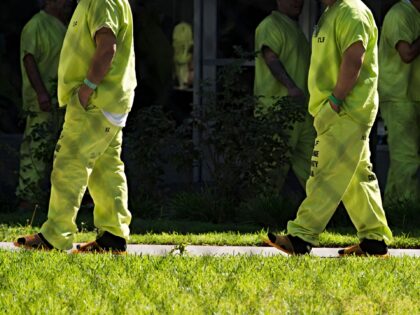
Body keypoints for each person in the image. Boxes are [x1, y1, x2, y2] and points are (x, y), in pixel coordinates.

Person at [267, 0, 393, 256]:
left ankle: (301, 236)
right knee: (356, 178)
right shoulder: (332, 12)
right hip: (339, 109)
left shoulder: (351, 12)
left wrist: (334, 102)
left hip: (344, 109)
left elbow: (353, 60)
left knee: (323, 173)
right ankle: (374, 240)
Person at [15, 0, 137, 253]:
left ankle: (55, 236)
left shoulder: (101, 1)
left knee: (68, 163)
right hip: (108, 101)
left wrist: (85, 90)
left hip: (94, 101)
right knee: (106, 168)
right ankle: (113, 238)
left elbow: (107, 49)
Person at [254, 0, 315, 194]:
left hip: (300, 112)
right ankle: (260, 214)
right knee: (270, 171)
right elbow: (270, 58)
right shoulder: (270, 25)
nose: (298, 2)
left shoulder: (295, 29)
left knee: (314, 169)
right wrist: (291, 87)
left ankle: (322, 215)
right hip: (276, 110)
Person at [16, 0, 72, 211]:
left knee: (60, 154)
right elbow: (28, 59)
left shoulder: (64, 25)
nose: (68, 2)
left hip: (62, 101)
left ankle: (52, 205)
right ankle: (27, 204)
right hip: (43, 103)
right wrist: (41, 93)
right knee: (36, 152)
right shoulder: (35, 25)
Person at [378, 0, 420, 204]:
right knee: (407, 158)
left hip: (411, 96)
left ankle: (396, 207)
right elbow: (407, 53)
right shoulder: (399, 14)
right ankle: (410, 211)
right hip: (398, 96)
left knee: (402, 158)